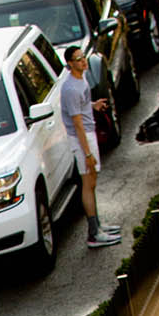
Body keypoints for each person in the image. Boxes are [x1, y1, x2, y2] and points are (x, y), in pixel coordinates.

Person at [61, 45, 120, 248]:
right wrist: (87, 153)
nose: (83, 61)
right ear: (70, 64)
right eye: (78, 59)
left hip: (88, 132)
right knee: (88, 183)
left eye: (83, 57)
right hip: (82, 138)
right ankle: (94, 233)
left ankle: (98, 226)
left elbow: (82, 104)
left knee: (92, 182)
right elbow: (76, 124)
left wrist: (93, 105)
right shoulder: (70, 89)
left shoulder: (81, 78)